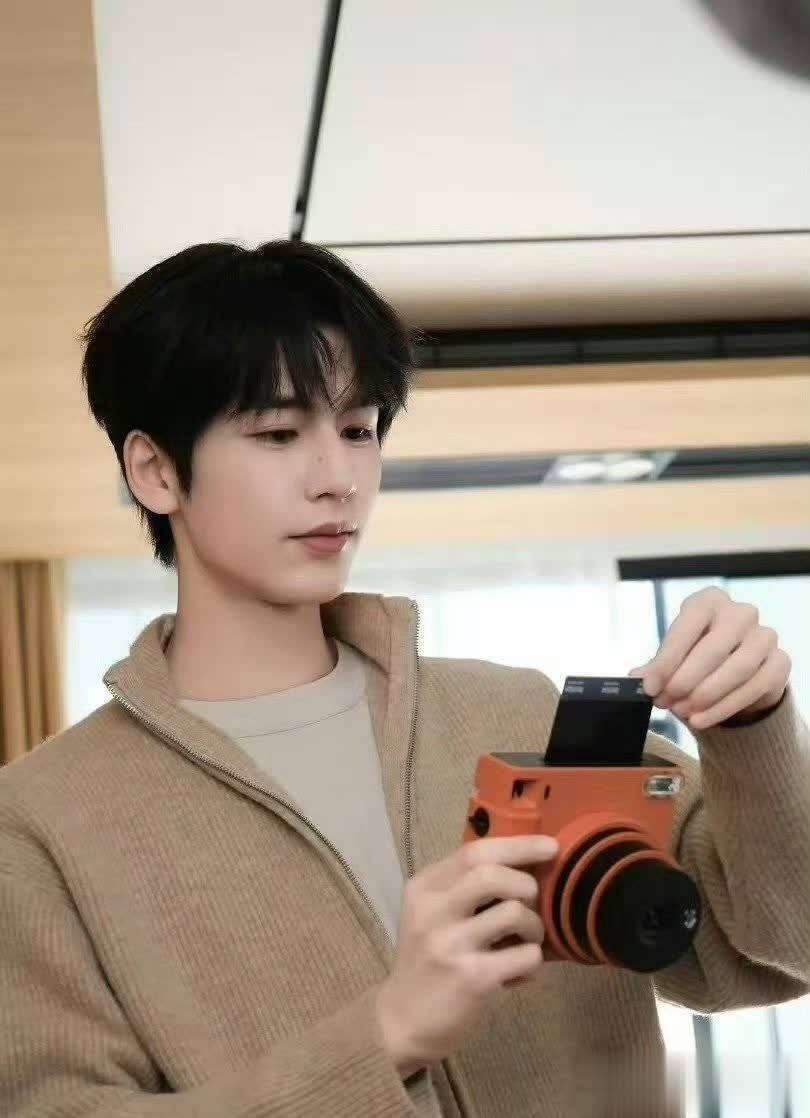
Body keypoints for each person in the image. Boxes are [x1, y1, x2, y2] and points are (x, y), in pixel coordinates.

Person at [1, 239, 808, 1117]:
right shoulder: (41, 824)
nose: (338, 479)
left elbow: (771, 950)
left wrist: (754, 728)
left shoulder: (515, 713)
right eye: (278, 434)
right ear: (156, 471)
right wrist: (385, 1038)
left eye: (358, 430)